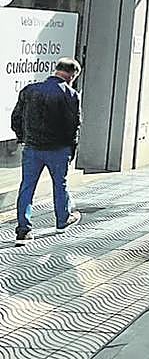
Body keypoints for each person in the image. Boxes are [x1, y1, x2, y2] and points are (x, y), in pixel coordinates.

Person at [12, 57, 83, 244]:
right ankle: (62, 220)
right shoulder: (71, 95)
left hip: (32, 147)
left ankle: (23, 230)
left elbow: (16, 118)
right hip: (58, 149)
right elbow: (74, 126)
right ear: (72, 75)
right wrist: (71, 150)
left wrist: (23, 138)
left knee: (27, 187)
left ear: (56, 70)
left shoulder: (30, 90)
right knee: (60, 185)